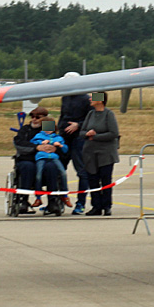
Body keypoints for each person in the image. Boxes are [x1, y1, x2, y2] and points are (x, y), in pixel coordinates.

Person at [80, 92, 120, 216]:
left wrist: (96, 136)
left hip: (105, 154)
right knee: (93, 180)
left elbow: (113, 133)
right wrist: (87, 134)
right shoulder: (90, 114)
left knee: (106, 180)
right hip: (90, 154)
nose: (90, 99)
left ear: (100, 100)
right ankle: (96, 206)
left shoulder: (108, 114)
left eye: (93, 97)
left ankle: (107, 205)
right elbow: (82, 132)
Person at [60, 85, 92, 213]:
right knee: (58, 169)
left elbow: (96, 115)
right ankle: (57, 200)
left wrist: (78, 125)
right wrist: (55, 134)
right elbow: (62, 116)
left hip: (79, 138)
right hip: (64, 137)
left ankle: (81, 203)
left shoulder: (88, 98)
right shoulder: (65, 97)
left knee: (82, 171)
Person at [30, 118, 69, 193]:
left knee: (63, 173)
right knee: (38, 175)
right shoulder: (39, 135)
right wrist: (41, 143)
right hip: (41, 157)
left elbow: (65, 149)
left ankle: (64, 193)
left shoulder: (58, 138)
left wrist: (60, 146)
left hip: (54, 158)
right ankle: (38, 195)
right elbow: (32, 144)